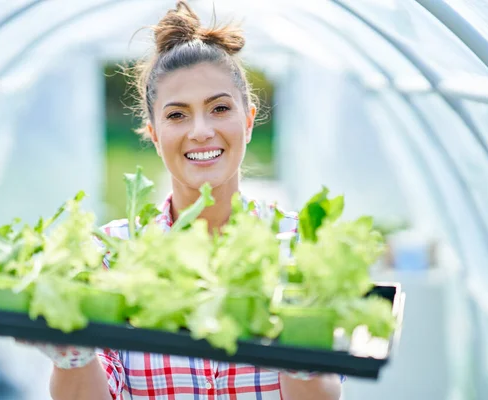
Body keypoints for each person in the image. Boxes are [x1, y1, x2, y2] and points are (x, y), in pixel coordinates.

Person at [29, 2, 343, 399]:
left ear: (248, 120)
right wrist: (71, 357)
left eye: (220, 109)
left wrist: (299, 344)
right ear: (154, 133)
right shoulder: (109, 256)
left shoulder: (301, 244)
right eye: (177, 115)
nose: (200, 131)